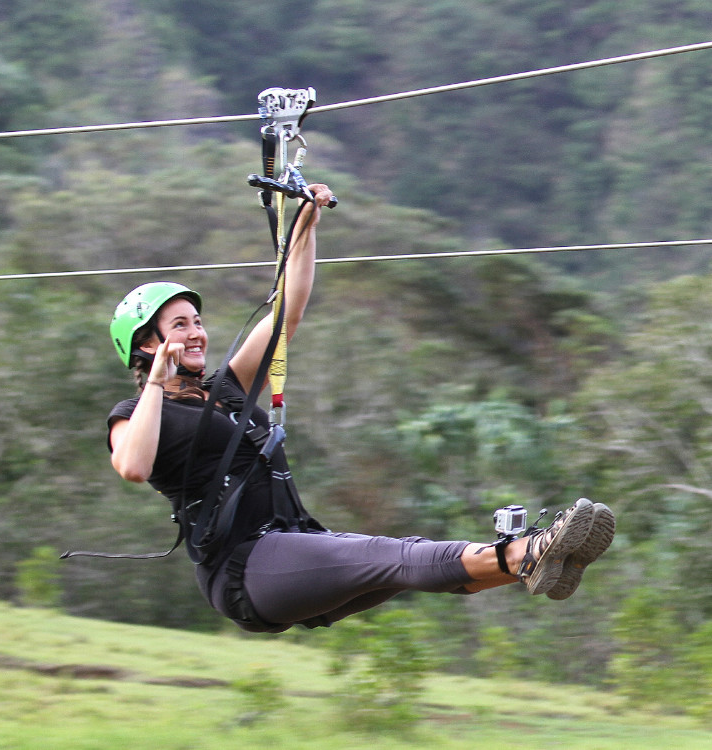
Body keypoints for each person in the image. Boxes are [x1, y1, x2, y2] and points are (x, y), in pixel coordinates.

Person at [107, 183, 615, 632]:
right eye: (179, 325)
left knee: (405, 563)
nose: (196, 332)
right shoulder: (134, 412)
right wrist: (156, 382)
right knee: (394, 557)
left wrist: (306, 227)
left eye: (197, 320)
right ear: (146, 343)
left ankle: (537, 564)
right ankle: (531, 551)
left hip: (294, 547)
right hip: (246, 569)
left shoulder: (226, 391)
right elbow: (133, 466)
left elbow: (290, 310)